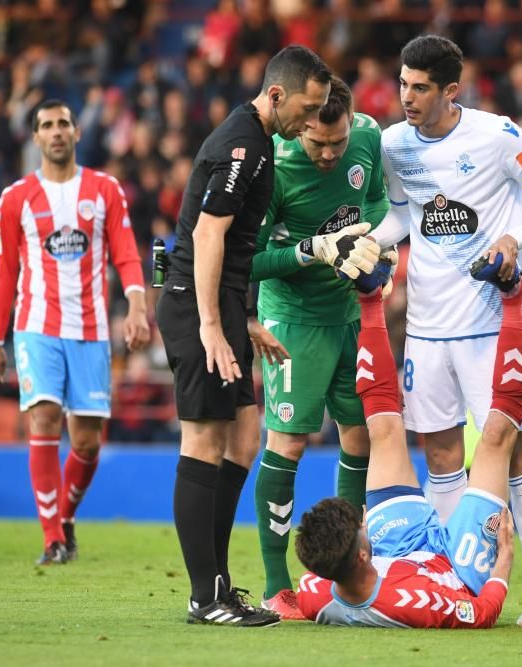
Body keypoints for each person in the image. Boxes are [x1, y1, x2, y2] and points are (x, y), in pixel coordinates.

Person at [155, 45, 377, 627]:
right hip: (195, 307)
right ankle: (205, 597)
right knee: (203, 443)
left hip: (224, 307)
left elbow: (231, 253)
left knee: (245, 438)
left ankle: (221, 584)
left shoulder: (255, 141)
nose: (310, 122)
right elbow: (207, 238)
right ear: (276, 95)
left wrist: (241, 320)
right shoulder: (246, 147)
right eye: (306, 110)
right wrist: (211, 325)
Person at [370, 35, 522, 626]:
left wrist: (516, 238)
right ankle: (455, 579)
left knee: (512, 453)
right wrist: (369, 241)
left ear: (450, 91)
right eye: (402, 84)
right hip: (427, 327)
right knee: (440, 455)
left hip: (490, 324)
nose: (406, 97)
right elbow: (403, 217)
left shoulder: (499, 137)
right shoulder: (394, 144)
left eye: (419, 88)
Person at [294, 268, 522, 628]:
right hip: (455, 568)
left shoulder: (314, 590)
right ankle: (513, 298)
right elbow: (481, 615)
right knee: (496, 438)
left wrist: (367, 543)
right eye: (360, 528)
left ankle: (369, 299)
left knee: (383, 430)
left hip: (393, 550)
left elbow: (314, 588)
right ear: (359, 554)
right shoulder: (415, 604)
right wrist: (503, 565)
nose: (363, 521)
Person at [0, 99, 151, 564]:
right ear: (35, 138)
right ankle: (52, 537)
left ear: (77, 133)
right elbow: (4, 273)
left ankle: (66, 517)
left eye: (63, 124)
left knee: (87, 442)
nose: (56, 132)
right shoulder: (15, 198)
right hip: (35, 328)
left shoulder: (105, 190)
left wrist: (137, 306)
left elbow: (127, 254)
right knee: (44, 418)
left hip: (92, 330)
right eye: (46, 126)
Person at [248, 75, 391, 619]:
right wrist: (312, 250)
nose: (329, 154)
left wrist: (379, 245)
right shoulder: (276, 163)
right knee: (288, 442)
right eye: (317, 143)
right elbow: (251, 262)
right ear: (298, 125)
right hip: (294, 320)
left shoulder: (369, 136)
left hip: (352, 310)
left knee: (361, 436)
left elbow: (375, 200)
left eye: (337, 141)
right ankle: (276, 580)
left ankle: (343, 569)